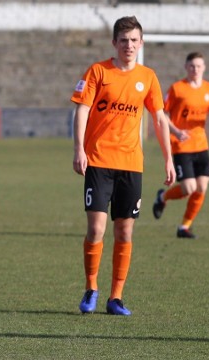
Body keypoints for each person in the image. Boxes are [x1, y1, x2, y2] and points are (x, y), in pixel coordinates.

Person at [71, 16, 175, 317]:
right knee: (96, 229)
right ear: (114, 43)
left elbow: (158, 119)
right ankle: (91, 288)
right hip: (99, 161)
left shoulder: (148, 77)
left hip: (131, 165)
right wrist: (79, 148)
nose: (129, 45)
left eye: (134, 40)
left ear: (141, 43)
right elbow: (82, 110)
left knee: (125, 232)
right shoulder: (98, 71)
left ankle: (116, 297)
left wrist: (168, 158)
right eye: (123, 40)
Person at [152, 52, 209, 238]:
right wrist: (176, 131)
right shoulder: (177, 89)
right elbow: (163, 114)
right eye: (192, 66)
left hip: (201, 145)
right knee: (189, 188)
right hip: (181, 145)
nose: (195, 69)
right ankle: (162, 197)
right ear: (186, 67)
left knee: (202, 187)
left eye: (199, 66)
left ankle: (184, 227)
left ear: (204, 68)